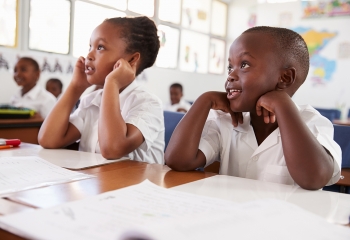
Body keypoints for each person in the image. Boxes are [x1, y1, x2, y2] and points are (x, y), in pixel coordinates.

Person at [165, 26, 342, 190]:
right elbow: (177, 160)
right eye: (230, 67)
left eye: (244, 65)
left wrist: (283, 105)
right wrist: (204, 101)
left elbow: (314, 178)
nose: (231, 76)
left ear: (285, 78)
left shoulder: (312, 122)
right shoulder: (226, 120)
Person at [38, 16, 164, 164]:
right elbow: (48, 139)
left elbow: (112, 149)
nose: (89, 55)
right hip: (96, 183)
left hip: (137, 186)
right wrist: (76, 87)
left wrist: (112, 82)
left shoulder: (147, 103)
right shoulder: (92, 101)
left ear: (131, 60)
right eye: (90, 47)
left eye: (100, 47)